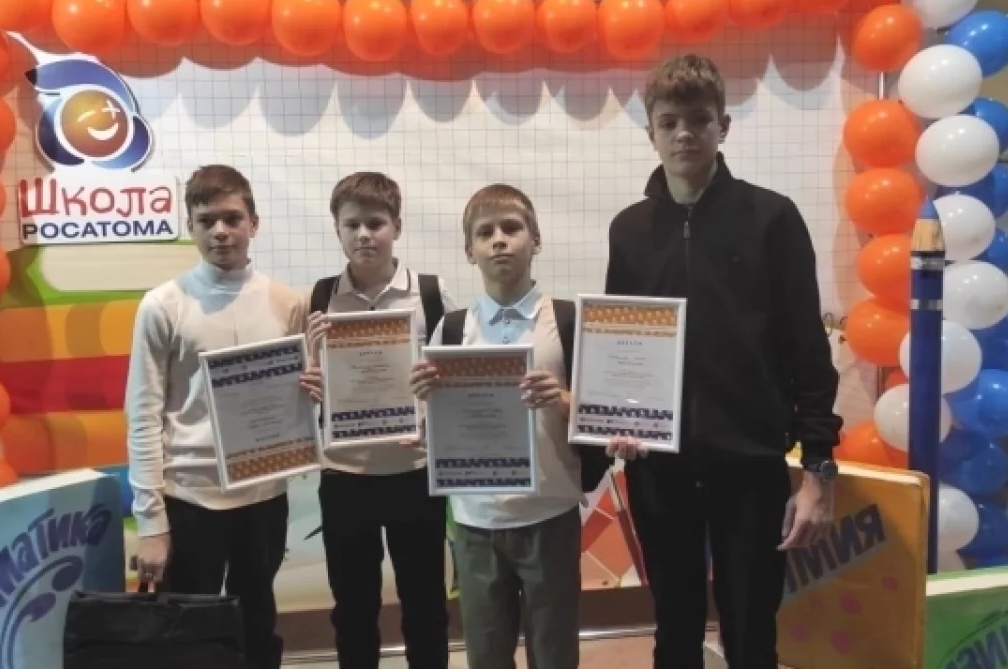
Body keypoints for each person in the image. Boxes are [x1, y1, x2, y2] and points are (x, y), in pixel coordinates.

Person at [603, 54, 843, 669]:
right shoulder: (629, 230)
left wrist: (819, 469)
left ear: (723, 126)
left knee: (752, 636)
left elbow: (808, 350)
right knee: (674, 633)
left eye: (699, 120)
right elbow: (619, 346)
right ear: (651, 132)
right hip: (660, 469)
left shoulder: (773, 219)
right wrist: (617, 418)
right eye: (669, 122)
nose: (684, 133)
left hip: (752, 467)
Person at [126, 164, 312, 669]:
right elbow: (143, 416)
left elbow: (298, 401)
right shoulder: (162, 305)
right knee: (191, 637)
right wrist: (152, 522)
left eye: (232, 218)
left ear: (255, 223)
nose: (221, 231)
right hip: (190, 497)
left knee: (258, 623)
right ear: (191, 227)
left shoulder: (288, 303)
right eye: (207, 221)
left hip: (264, 497)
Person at [409, 184, 584, 669]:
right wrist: (423, 410)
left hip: (551, 513)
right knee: (485, 655)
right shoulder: (451, 329)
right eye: (485, 232)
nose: (499, 240)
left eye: (512, 228)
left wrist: (564, 399)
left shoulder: (569, 321)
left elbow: (601, 414)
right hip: (475, 521)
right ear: (470, 250)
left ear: (536, 239)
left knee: (555, 654)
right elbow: (434, 428)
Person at [299, 172, 456, 669]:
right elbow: (300, 386)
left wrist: (438, 389)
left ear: (397, 227)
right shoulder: (318, 299)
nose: (364, 234)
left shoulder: (431, 294)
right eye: (352, 225)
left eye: (375, 223)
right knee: (353, 610)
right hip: (345, 476)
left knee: (426, 605)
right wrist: (312, 373)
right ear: (337, 230)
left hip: (415, 473)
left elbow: (456, 379)